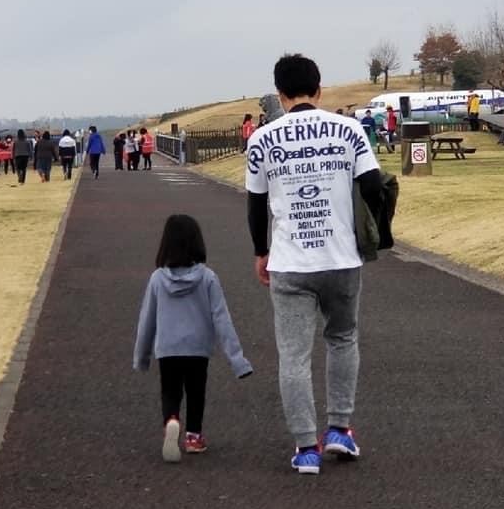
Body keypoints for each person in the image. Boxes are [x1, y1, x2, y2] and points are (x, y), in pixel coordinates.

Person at [246, 54, 383, 475]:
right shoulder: (349, 129)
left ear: (280, 94)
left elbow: (255, 204)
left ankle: (306, 446)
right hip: (341, 256)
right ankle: (340, 428)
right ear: (319, 89)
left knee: (294, 355)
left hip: (290, 259)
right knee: (342, 338)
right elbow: (373, 185)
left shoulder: (262, 139)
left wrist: (261, 251)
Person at [133, 214, 253, 463]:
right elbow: (222, 319)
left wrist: (141, 357)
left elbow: (147, 320)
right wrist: (238, 360)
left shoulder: (157, 279)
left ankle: (171, 420)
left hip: (167, 348)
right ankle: (193, 436)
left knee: (170, 391)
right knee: (196, 392)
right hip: (198, 348)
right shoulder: (208, 278)